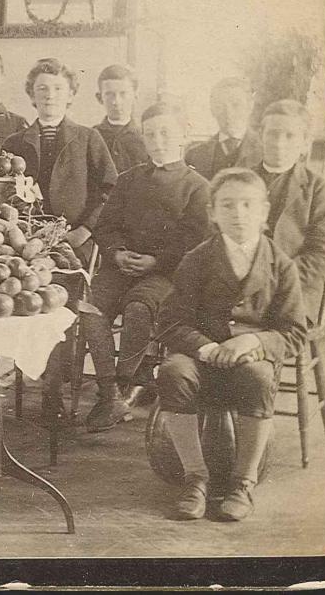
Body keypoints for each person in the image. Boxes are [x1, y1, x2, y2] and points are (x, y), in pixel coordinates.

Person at [155, 168, 307, 521]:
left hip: (251, 357)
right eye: (227, 206)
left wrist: (253, 341)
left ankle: (243, 481)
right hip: (201, 354)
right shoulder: (196, 259)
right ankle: (195, 477)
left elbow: (295, 332)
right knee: (173, 372)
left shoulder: (281, 265)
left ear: (264, 212)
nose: (238, 214)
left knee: (258, 376)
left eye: (247, 205)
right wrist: (207, 348)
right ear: (212, 213)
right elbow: (171, 321)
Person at [78, 102, 212, 432]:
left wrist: (157, 260)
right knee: (90, 309)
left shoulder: (197, 186)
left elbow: (196, 241)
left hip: (166, 273)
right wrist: (117, 252)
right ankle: (110, 393)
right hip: (120, 267)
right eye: (150, 134)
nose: (158, 140)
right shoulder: (128, 179)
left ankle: (126, 384)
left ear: (184, 134)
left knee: (139, 310)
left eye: (166, 132)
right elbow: (106, 225)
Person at [1, 58, 118, 423]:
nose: (49, 95)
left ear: (70, 96)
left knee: (66, 305)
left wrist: (85, 230)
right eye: (42, 89)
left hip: (76, 241)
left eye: (57, 89)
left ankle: (98, 393)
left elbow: (110, 191)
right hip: (28, 241)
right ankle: (46, 392)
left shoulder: (87, 138)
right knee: (25, 300)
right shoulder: (15, 142)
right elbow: (4, 194)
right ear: (31, 97)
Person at [254, 100, 325, 317]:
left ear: (305, 142)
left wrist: (277, 279)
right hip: (243, 285)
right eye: (273, 134)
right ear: (261, 135)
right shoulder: (242, 179)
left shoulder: (317, 187)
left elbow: (321, 252)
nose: (279, 143)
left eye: (290, 136)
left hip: (294, 289)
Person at [184, 77, 263, 180]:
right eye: (220, 106)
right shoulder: (194, 155)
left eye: (236, 105)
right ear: (212, 109)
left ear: (249, 106)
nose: (228, 113)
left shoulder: (265, 150)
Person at [93, 64, 150, 173]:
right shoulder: (90, 137)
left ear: (135, 95)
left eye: (123, 94)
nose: (116, 102)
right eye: (109, 94)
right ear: (99, 98)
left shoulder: (145, 137)